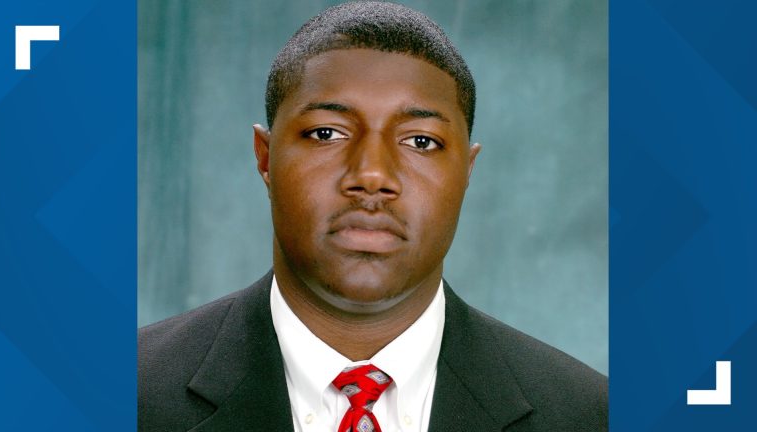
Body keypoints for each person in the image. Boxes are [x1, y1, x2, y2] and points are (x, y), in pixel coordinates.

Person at [138, 2, 607, 431]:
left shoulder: (589, 415)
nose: (372, 175)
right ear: (265, 157)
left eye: (420, 141)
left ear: (467, 170)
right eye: (326, 133)